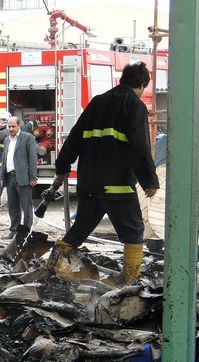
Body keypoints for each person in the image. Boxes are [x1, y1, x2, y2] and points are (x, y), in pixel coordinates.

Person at [43, 61, 159, 284]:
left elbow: (74, 137)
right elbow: (139, 145)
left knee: (80, 229)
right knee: (134, 230)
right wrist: (149, 180)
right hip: (117, 184)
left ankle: (54, 267)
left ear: (122, 80)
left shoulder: (97, 102)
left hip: (89, 183)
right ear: (142, 84)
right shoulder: (134, 105)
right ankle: (130, 282)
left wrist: (62, 167)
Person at [1, 115, 38, 239]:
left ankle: (26, 232)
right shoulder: (7, 140)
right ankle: (14, 231)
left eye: (13, 126)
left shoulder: (28, 138)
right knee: (13, 206)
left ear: (19, 126)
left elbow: (32, 158)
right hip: (10, 177)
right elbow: (4, 159)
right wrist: (2, 177)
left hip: (23, 177)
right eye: (9, 126)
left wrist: (33, 177)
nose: (11, 129)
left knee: (26, 206)